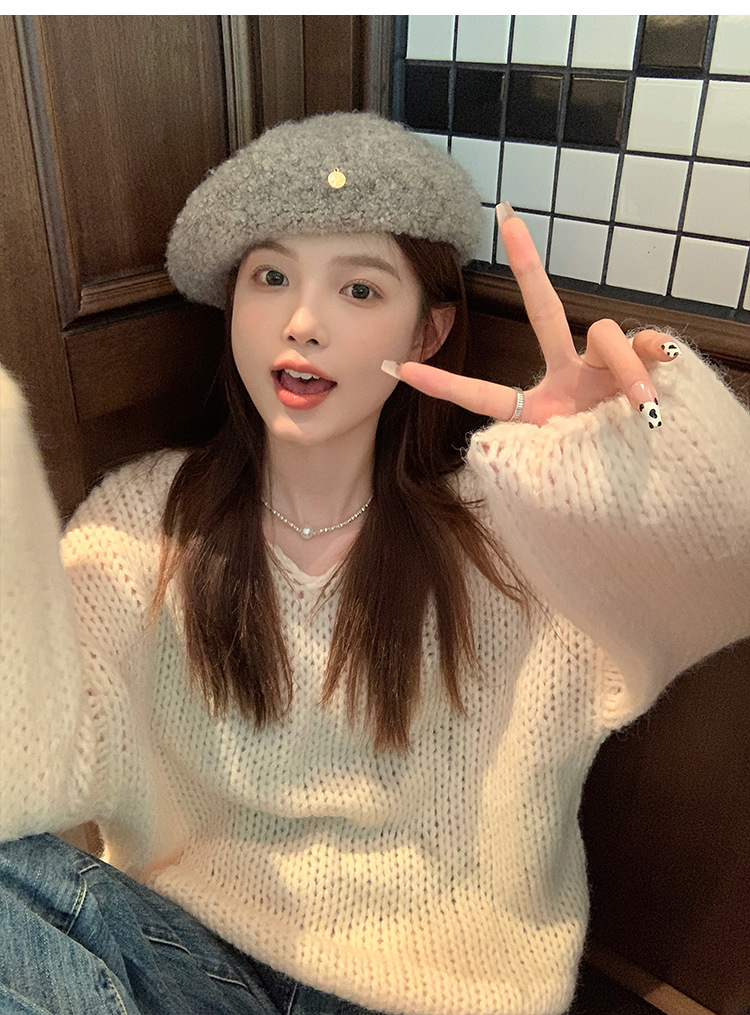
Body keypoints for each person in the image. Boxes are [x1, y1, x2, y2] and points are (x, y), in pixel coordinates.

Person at [0, 111, 748, 1015]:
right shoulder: (147, 518)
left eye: (358, 289)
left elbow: (729, 569)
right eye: (271, 276)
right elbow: (31, 760)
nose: (302, 322)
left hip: (436, 985)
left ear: (427, 332)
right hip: (191, 959)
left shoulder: (507, 532)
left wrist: (633, 448)